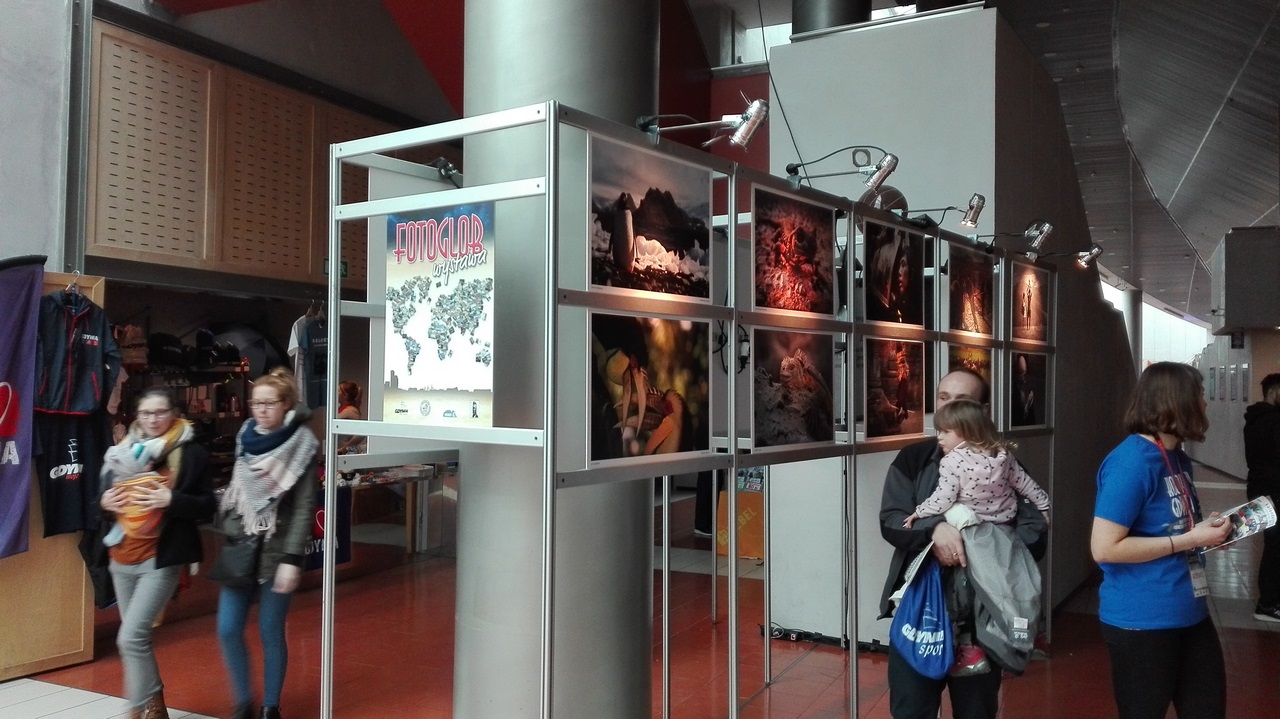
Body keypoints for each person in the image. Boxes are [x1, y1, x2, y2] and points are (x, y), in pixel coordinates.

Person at [878, 369, 1048, 719]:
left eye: (962, 400)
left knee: (976, 713)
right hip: (921, 609)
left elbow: (1035, 533)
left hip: (982, 618)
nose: (949, 407)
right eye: (943, 398)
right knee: (910, 710)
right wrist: (934, 530)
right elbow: (892, 519)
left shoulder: (1003, 462)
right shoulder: (913, 458)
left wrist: (986, 547)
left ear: (982, 411)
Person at [1091, 362, 1232, 719]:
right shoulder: (1131, 463)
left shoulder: (1176, 457)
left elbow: (1174, 527)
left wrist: (1208, 534)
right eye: (1200, 395)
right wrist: (1188, 540)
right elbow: (1104, 548)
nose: (1205, 403)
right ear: (1178, 401)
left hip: (1190, 613)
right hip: (1143, 620)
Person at [902, 399, 1052, 676]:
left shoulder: (953, 462)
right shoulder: (1002, 456)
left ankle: (968, 646)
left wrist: (918, 513)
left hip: (972, 533)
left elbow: (943, 499)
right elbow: (1026, 485)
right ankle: (1021, 634)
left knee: (963, 587)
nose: (939, 437)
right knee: (1002, 586)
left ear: (965, 431)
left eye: (945, 431)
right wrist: (1043, 505)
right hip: (1003, 532)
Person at [98, 387, 215, 719]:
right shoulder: (121, 450)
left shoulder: (191, 452)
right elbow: (103, 501)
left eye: (161, 412)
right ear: (137, 416)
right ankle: (155, 705)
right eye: (146, 413)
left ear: (174, 413)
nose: (153, 419)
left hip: (161, 556)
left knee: (130, 638)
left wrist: (171, 500)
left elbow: (208, 505)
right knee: (137, 638)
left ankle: (134, 710)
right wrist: (104, 503)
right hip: (121, 555)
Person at [215, 368, 319, 719]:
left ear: (286, 403)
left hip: (278, 548)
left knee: (270, 630)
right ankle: (243, 702)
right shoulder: (245, 435)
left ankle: (270, 707)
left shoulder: (303, 443)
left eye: (269, 403)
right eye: (255, 403)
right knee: (228, 628)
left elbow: (305, 505)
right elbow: (239, 491)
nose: (260, 410)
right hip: (242, 543)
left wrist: (292, 558)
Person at [1243, 373, 1280, 621]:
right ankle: (1267, 604)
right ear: (1274, 392)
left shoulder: (1254, 419)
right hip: (1274, 492)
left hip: (1260, 490)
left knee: (1273, 545)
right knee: (1276, 548)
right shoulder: (1273, 421)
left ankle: (1269, 601)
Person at [335, 380, 366, 455]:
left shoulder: (350, 411)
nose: (336, 393)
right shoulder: (342, 408)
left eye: (338, 391)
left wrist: (346, 447)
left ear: (345, 396)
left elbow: (362, 432)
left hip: (345, 453)